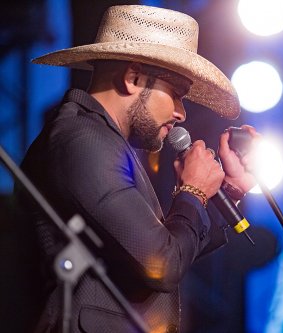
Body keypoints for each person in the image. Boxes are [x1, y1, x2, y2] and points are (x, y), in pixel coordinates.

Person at [18, 5, 261, 333]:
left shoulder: (105, 142)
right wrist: (192, 191)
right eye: (175, 94)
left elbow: (170, 247)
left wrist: (229, 189)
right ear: (133, 79)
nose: (181, 113)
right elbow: (162, 263)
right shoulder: (82, 140)